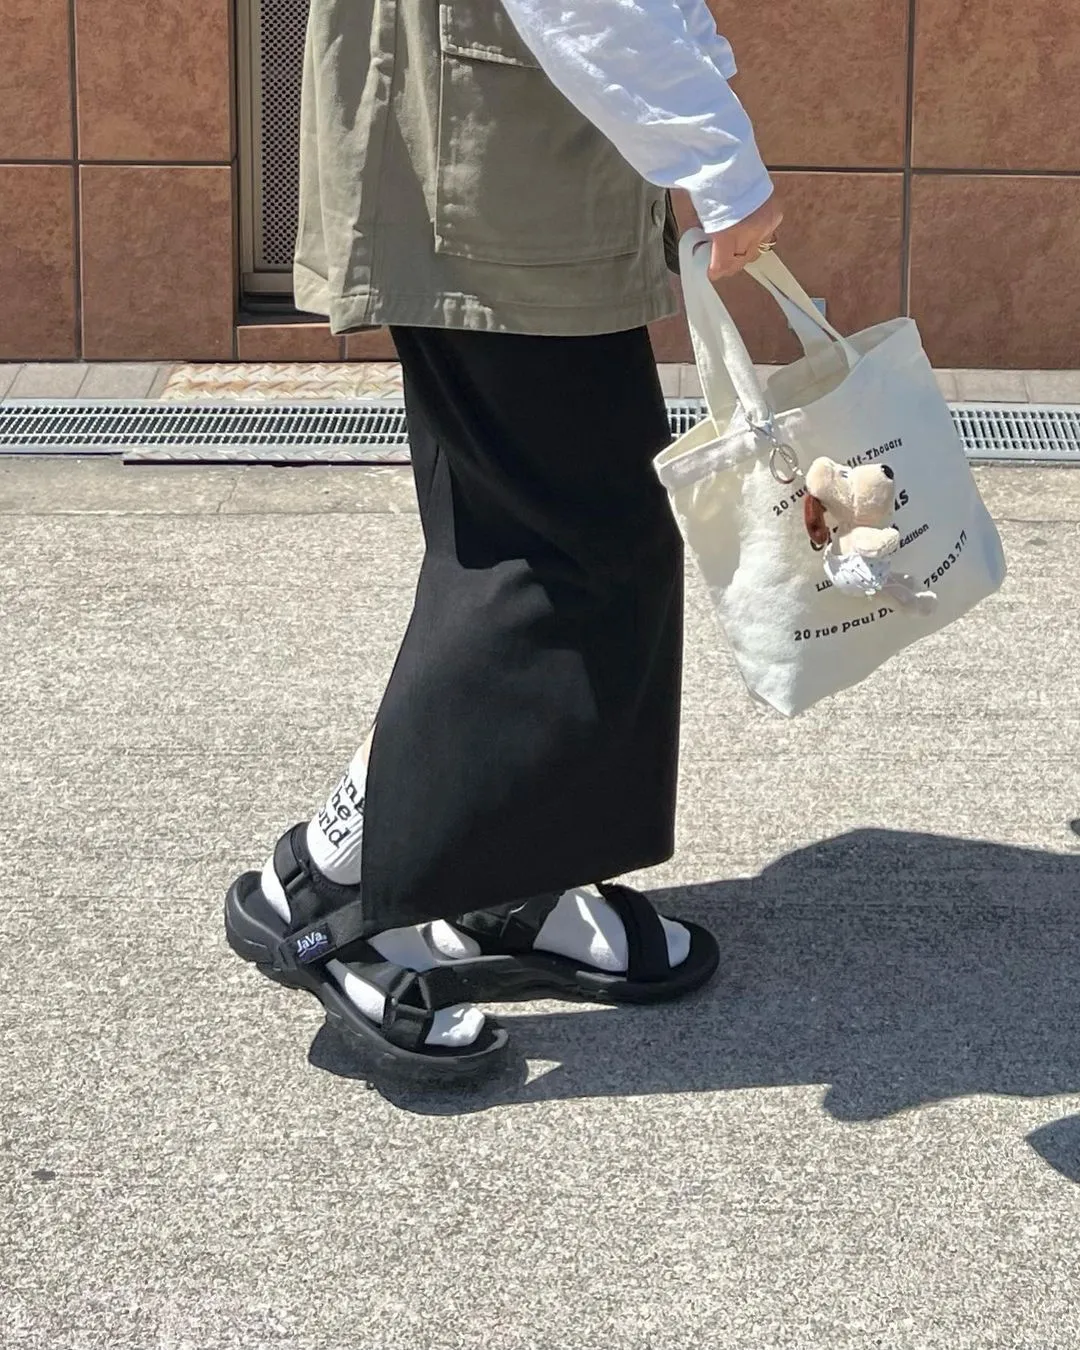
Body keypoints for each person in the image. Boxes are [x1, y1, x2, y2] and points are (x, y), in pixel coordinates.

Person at [225, 0, 782, 1084]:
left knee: (563, 543)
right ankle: (334, 883)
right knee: (551, 562)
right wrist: (714, 150)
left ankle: (503, 874)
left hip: (514, 148)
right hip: (493, 162)